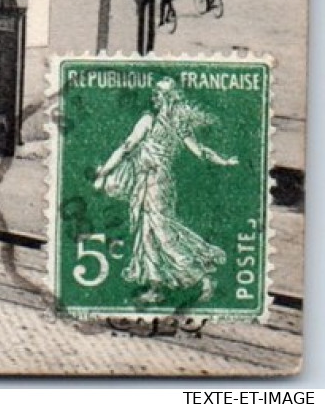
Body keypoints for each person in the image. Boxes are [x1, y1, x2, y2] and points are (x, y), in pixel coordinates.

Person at [93, 78, 238, 304]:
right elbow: (200, 151)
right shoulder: (179, 125)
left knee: (160, 231)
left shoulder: (149, 121)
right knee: (148, 231)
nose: (159, 98)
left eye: (162, 94)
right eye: (160, 94)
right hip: (155, 181)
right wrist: (224, 161)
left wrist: (104, 172)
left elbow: (126, 147)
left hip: (154, 181)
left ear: (165, 98)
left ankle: (202, 277)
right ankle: (155, 287)